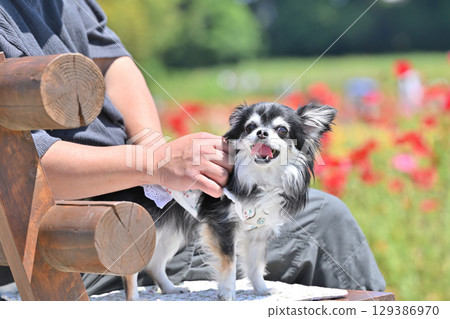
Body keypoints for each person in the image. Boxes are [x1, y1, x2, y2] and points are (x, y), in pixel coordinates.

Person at [0, 0, 385, 298]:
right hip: (75, 244)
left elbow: (114, 63)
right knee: (322, 221)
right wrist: (152, 163)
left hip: (140, 202)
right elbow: (16, 170)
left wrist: (154, 151)